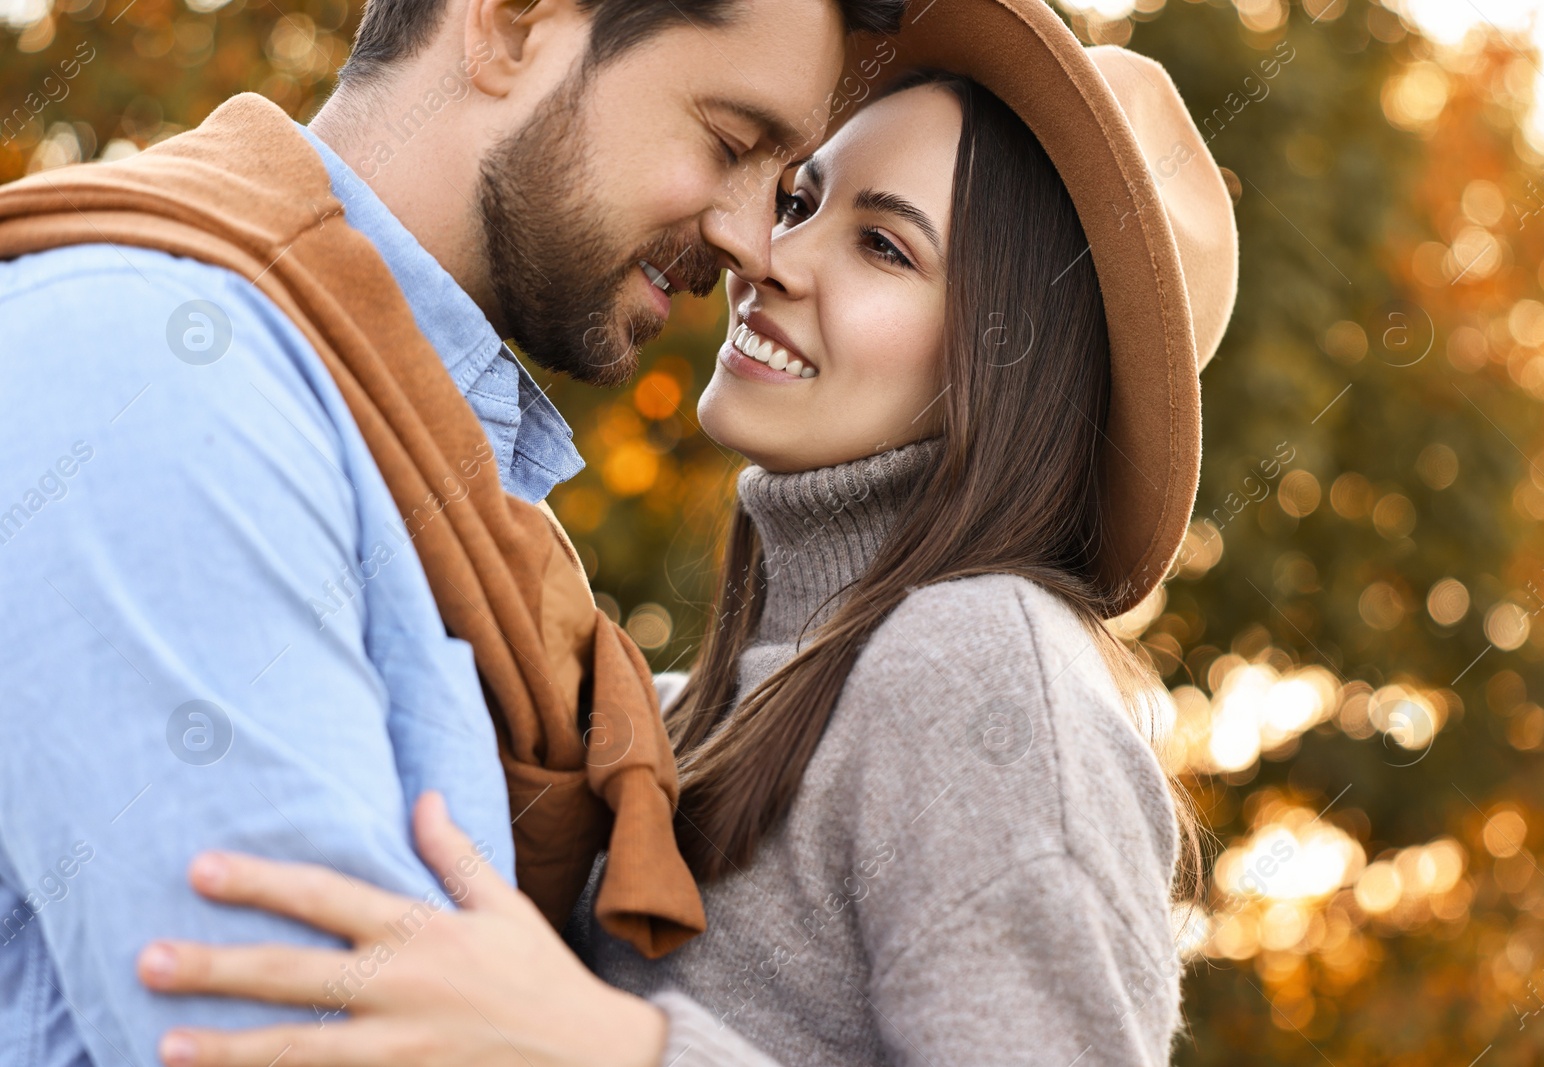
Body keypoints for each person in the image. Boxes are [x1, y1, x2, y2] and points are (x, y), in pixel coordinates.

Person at [130, 0, 1241, 1064]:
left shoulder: (981, 666)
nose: (769, 255)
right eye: (801, 200)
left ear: (1009, 369)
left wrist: (609, 1045)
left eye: (884, 248)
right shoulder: (686, 709)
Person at [0, 0, 904, 1063]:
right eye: (729, 143)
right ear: (513, 26)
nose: (753, 242)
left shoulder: (435, 463)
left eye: (783, 183)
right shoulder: (162, 371)